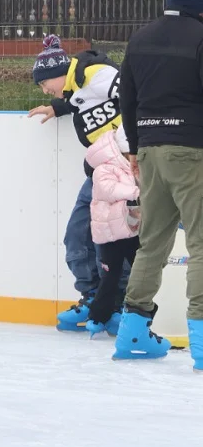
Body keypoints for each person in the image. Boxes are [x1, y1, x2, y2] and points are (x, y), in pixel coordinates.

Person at [112, 0, 203, 366]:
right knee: (201, 244)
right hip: (193, 151)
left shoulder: (140, 39)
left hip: (149, 150)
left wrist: (135, 148)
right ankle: (201, 343)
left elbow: (127, 100)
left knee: (152, 243)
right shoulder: (200, 37)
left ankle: (132, 333)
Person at [27, 34, 129, 332]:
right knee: (77, 233)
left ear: (59, 72)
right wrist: (56, 107)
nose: (45, 89)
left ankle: (118, 303)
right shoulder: (74, 89)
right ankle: (92, 295)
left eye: (45, 83)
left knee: (112, 237)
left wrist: (125, 147)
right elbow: (78, 100)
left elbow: (136, 96)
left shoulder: (96, 74)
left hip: (124, 168)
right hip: (100, 171)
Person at [85, 127, 140, 338]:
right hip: (110, 235)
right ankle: (98, 317)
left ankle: (138, 315)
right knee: (110, 277)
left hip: (132, 230)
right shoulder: (104, 168)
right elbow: (107, 190)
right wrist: (138, 192)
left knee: (141, 272)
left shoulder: (135, 165)